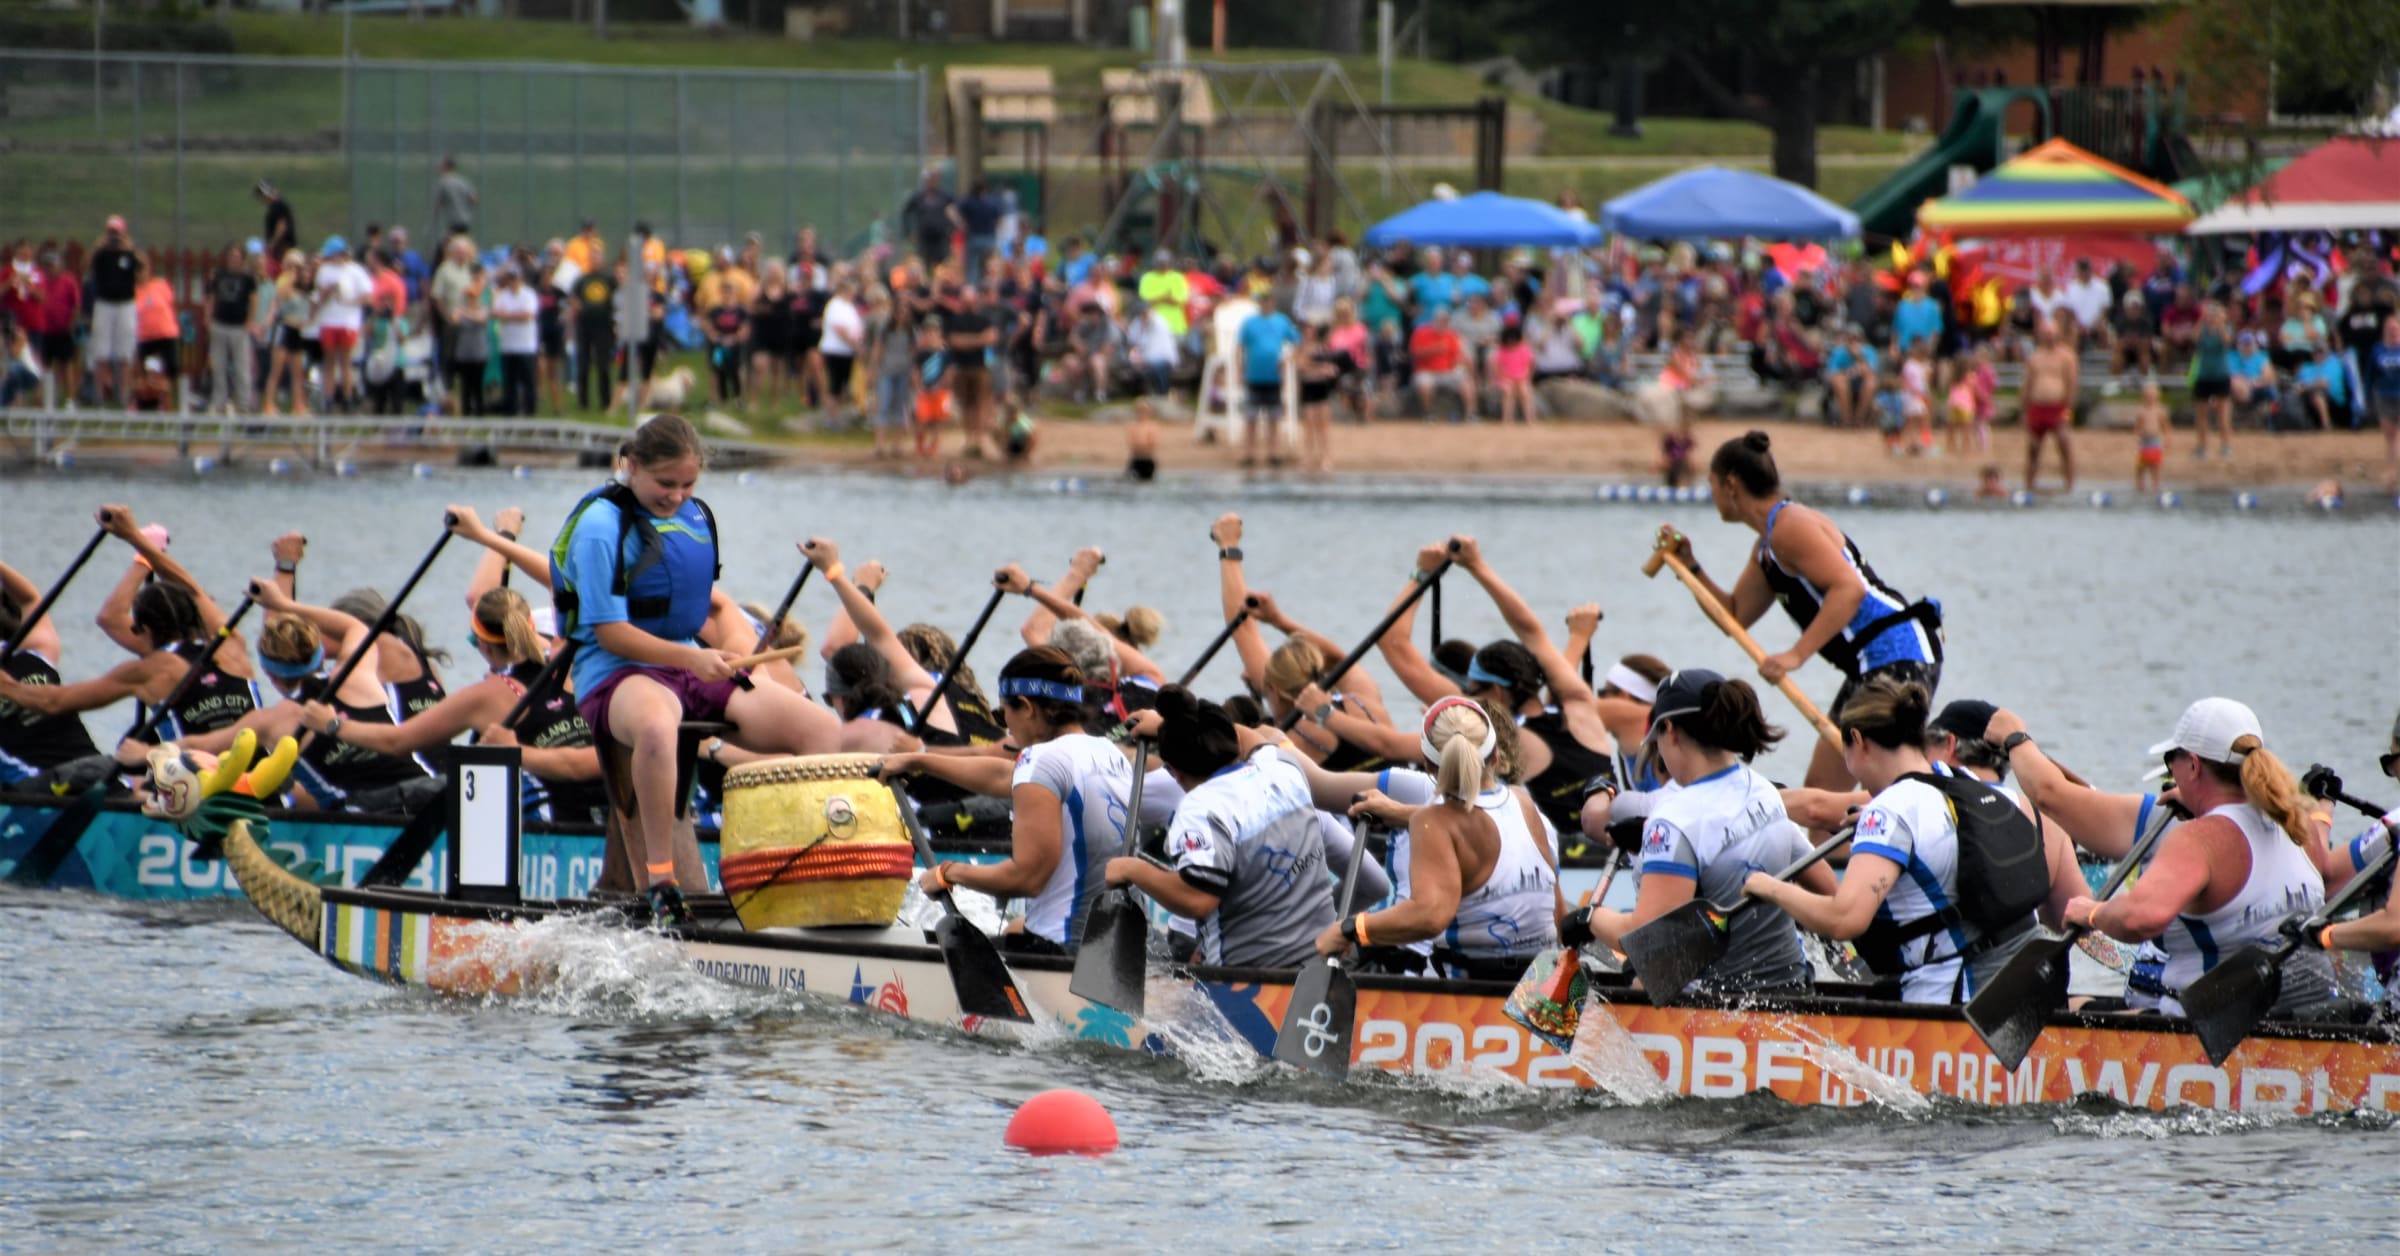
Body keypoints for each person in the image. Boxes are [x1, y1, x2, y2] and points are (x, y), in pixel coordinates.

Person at [551, 417, 843, 924]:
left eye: (688, 485)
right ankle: (662, 878)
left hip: (688, 663)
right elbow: (609, 633)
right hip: (616, 673)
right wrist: (693, 658)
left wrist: (708, 655)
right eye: (665, 484)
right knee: (657, 727)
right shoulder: (601, 528)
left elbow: (702, 606)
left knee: (821, 729)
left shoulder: (693, 516)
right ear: (632, 466)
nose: (677, 496)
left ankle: (799, 868)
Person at [1658, 431, 1941, 792]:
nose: (1710, 493)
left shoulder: (1789, 527)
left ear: (1730, 484)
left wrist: (1796, 654)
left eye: (1711, 483)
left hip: (1899, 652)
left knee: (1886, 785)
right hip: (1871, 665)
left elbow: (1848, 589)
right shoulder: (1767, 546)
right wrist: (1691, 568)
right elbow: (1734, 615)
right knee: (1824, 788)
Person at [1742, 677, 2037, 1003]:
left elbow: (1843, 921)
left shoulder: (1888, 812)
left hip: (1954, 1004)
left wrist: (1769, 888)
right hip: (2022, 984)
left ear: (1857, 739)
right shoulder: (1964, 783)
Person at [2060, 698, 2340, 1020]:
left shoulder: (2202, 838)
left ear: (2193, 766)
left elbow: (2140, 918)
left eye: (2171, 761)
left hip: (2210, 1024)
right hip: (2304, 1017)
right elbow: (2324, 871)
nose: (2170, 772)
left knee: (2072, 1008)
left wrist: (2092, 912)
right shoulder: (2297, 821)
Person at [1570, 670, 1828, 995]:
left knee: (1633, 972)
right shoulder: (1763, 790)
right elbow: (1827, 888)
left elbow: (1646, 938)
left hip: (1722, 1007)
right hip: (1794, 987)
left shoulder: (1674, 822)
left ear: (1670, 730)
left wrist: (1587, 919)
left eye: (1658, 741)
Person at [886, 646, 1133, 955]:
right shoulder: (1109, 753)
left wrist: (950, 873)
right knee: (1014, 927)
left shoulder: (1042, 759)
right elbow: (1004, 777)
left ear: (1027, 707)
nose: (1006, 727)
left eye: (1003, 714)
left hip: (1060, 951)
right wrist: (919, 761)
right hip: (1114, 951)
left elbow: (1026, 878)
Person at [296, 587, 606, 824]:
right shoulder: (574, 663)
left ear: (483, 645)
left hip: (552, 822)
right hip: (608, 812)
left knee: (366, 802)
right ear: (530, 625)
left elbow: (398, 741)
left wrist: (333, 724)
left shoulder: (483, 697)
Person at [1309, 696, 1560, 981]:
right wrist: (1405, 814)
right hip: (1542, 985)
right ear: (1495, 757)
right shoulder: (1524, 804)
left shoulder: (1433, 823)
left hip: (1468, 992)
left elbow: (1429, 917)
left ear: (1428, 765)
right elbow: (1557, 912)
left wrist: (1351, 928)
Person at [1103, 685, 1334, 969]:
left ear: (1174, 772)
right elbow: (1249, 736)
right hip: (1322, 960)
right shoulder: (1281, 766)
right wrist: (1169, 724)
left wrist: (1132, 869)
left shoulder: (1201, 807)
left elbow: (1198, 899)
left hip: (1252, 976)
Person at [1235, 299, 1299, 468]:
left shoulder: (1281, 321)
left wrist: (1288, 359)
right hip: (1254, 375)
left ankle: (1273, 451)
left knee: (1273, 416)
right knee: (1251, 416)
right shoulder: (1249, 323)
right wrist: (1239, 370)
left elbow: (1298, 341)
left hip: (1274, 376)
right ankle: (1249, 452)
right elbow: (1239, 346)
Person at [937, 282, 998, 458]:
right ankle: (969, 439)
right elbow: (954, 341)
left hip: (979, 367)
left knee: (980, 404)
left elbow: (991, 338)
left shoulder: (984, 319)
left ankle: (978, 440)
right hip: (962, 368)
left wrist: (966, 342)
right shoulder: (954, 320)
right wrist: (978, 340)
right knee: (966, 404)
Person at [87, 216, 141, 409]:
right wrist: (98, 246)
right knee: (101, 351)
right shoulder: (101, 255)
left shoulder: (129, 254)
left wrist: (130, 249)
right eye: (111, 233)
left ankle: (123, 395)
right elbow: (86, 265)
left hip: (125, 304)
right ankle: (100, 394)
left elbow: (143, 274)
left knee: (125, 352)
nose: (114, 237)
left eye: (117, 233)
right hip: (105, 303)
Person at [313, 236, 371, 414]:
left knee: (345, 361)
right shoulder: (324, 271)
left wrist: (350, 299)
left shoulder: (356, 271)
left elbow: (368, 296)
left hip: (347, 322)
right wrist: (328, 291)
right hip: (329, 321)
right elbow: (319, 298)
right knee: (329, 361)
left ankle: (347, 397)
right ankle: (329, 398)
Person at [2021, 315, 2077, 493]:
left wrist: (2068, 410)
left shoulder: (2066, 356)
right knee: (2033, 447)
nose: (2049, 336)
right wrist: (2025, 410)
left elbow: (2071, 384)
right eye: (2046, 333)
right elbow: (2027, 384)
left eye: (2052, 333)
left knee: (2064, 443)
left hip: (2058, 406)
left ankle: (2069, 484)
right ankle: (2029, 484)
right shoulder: (2035, 357)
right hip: (2037, 406)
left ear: (2058, 334)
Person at [204, 243, 259, 415]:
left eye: (237, 256)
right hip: (220, 323)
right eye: (231, 256)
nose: (233, 260)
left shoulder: (247, 278)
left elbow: (253, 300)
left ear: (241, 259)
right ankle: (219, 402)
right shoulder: (219, 275)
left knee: (242, 366)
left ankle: (244, 403)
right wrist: (208, 317)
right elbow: (212, 297)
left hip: (238, 326)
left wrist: (250, 321)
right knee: (218, 365)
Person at [1294, 317, 1343, 474]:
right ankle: (1309, 455)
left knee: (1323, 425)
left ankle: (1325, 456)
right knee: (1309, 424)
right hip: (1308, 387)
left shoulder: (1323, 347)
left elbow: (1331, 366)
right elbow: (1301, 364)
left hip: (1321, 387)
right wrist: (1320, 368)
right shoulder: (1302, 347)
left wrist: (1322, 368)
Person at [491, 266, 539, 416]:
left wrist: (508, 315)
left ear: (520, 279)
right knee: (509, 381)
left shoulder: (528, 294)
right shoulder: (503, 295)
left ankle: (530, 410)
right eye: (509, 279)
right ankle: (510, 409)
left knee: (528, 381)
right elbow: (496, 313)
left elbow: (528, 315)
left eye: (514, 279)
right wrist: (514, 315)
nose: (512, 282)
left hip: (525, 346)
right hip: (508, 346)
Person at [570, 256, 617, 412]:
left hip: (604, 326)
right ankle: (583, 403)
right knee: (583, 364)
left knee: (603, 365)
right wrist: (577, 306)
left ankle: (605, 402)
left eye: (598, 257)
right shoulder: (583, 280)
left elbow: (618, 296)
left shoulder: (609, 279)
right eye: (594, 258)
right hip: (585, 326)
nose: (596, 261)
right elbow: (574, 297)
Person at [1409, 307, 1471, 422]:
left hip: (1447, 371)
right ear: (1434, 320)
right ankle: (1428, 414)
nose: (1444, 323)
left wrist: (1459, 361)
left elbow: (1456, 357)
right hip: (1426, 371)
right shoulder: (1421, 333)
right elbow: (1415, 353)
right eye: (1441, 320)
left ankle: (1470, 414)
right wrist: (1434, 350)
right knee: (1424, 384)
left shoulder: (1451, 335)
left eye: (1446, 321)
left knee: (1466, 382)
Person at [2190, 302, 2235, 461]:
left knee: (2223, 414)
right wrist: (2202, 320)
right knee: (2201, 415)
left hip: (2220, 375)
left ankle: (2226, 446)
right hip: (2204, 375)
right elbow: (2193, 339)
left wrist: (2220, 323)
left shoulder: (2225, 328)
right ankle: (2202, 447)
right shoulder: (2202, 329)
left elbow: (2227, 341)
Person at [447, 262, 491, 418]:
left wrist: (465, 313)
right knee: (466, 386)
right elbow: (453, 320)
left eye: (473, 296)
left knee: (477, 385)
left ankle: (479, 413)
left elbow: (481, 319)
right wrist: (461, 311)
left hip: (479, 352)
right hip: (464, 353)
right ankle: (466, 414)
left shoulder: (482, 309)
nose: (470, 298)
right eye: (468, 296)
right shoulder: (461, 309)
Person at [902, 170, 961, 268]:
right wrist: (909, 232)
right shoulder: (919, 197)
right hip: (924, 238)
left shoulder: (945, 196)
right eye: (931, 179)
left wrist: (951, 230)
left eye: (935, 179)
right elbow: (906, 212)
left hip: (941, 238)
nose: (933, 181)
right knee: (924, 264)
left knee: (943, 266)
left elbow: (956, 214)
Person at [2370, 314, 2400, 492]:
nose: (2392, 331)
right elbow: (2370, 374)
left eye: (2395, 328)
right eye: (2389, 328)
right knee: (2391, 438)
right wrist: (2366, 396)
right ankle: (2391, 473)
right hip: (2384, 395)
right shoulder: (2378, 350)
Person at [1492, 322, 1535, 425]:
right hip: (1505, 379)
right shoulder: (1501, 351)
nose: (1511, 341)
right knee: (1508, 391)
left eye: (1513, 339)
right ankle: (1507, 420)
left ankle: (1530, 420)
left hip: (1521, 378)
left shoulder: (1524, 349)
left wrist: (1524, 377)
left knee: (1525, 391)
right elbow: (1497, 367)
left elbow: (1529, 366)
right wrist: (1504, 378)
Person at [2130, 380, 2168, 495]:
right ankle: (2139, 486)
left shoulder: (2159, 410)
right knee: (2140, 466)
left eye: (2152, 396)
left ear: (2157, 397)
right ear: (2143, 397)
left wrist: (2168, 439)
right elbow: (2137, 426)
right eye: (2147, 396)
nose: (2149, 398)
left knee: (2155, 466)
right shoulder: (2141, 411)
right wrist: (2136, 436)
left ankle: (2155, 486)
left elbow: (2165, 426)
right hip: (2144, 442)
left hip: (2155, 441)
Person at [432, 157, 477, 239]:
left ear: (446, 167)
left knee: (446, 245)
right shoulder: (462, 181)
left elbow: (438, 204)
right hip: (465, 220)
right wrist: (465, 208)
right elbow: (473, 197)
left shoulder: (443, 182)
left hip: (454, 221)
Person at [257, 180, 296, 263]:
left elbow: (281, 226)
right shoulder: (274, 206)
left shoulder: (278, 205)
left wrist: (272, 243)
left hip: (281, 246)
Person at [1126, 396, 1159, 482]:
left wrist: (1140, 445)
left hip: (1147, 460)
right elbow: (1131, 444)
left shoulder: (1152, 426)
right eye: (1140, 410)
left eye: (1144, 410)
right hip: (1136, 460)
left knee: (1147, 482)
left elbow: (1153, 444)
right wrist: (1142, 445)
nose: (1142, 413)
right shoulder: (1132, 426)